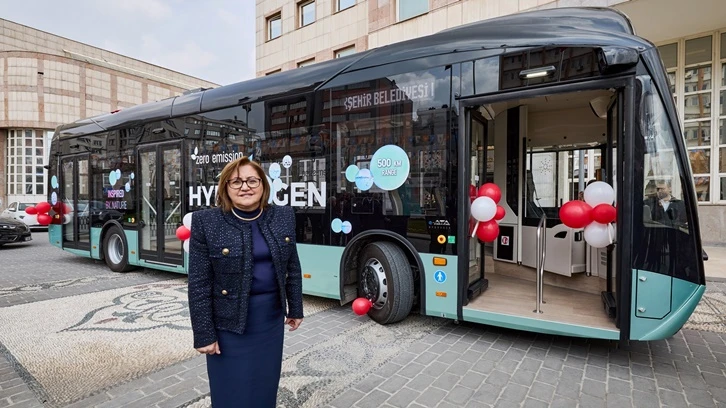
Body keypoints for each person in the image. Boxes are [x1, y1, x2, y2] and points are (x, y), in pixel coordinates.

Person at [187, 156, 304, 408]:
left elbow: (292, 266)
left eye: (252, 180)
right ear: (226, 188)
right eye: (236, 182)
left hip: (270, 319)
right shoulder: (207, 222)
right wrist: (204, 334)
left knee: (264, 384)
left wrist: (295, 308)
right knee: (232, 389)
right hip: (228, 324)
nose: (245, 187)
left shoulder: (283, 216)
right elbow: (199, 283)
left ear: (263, 185)